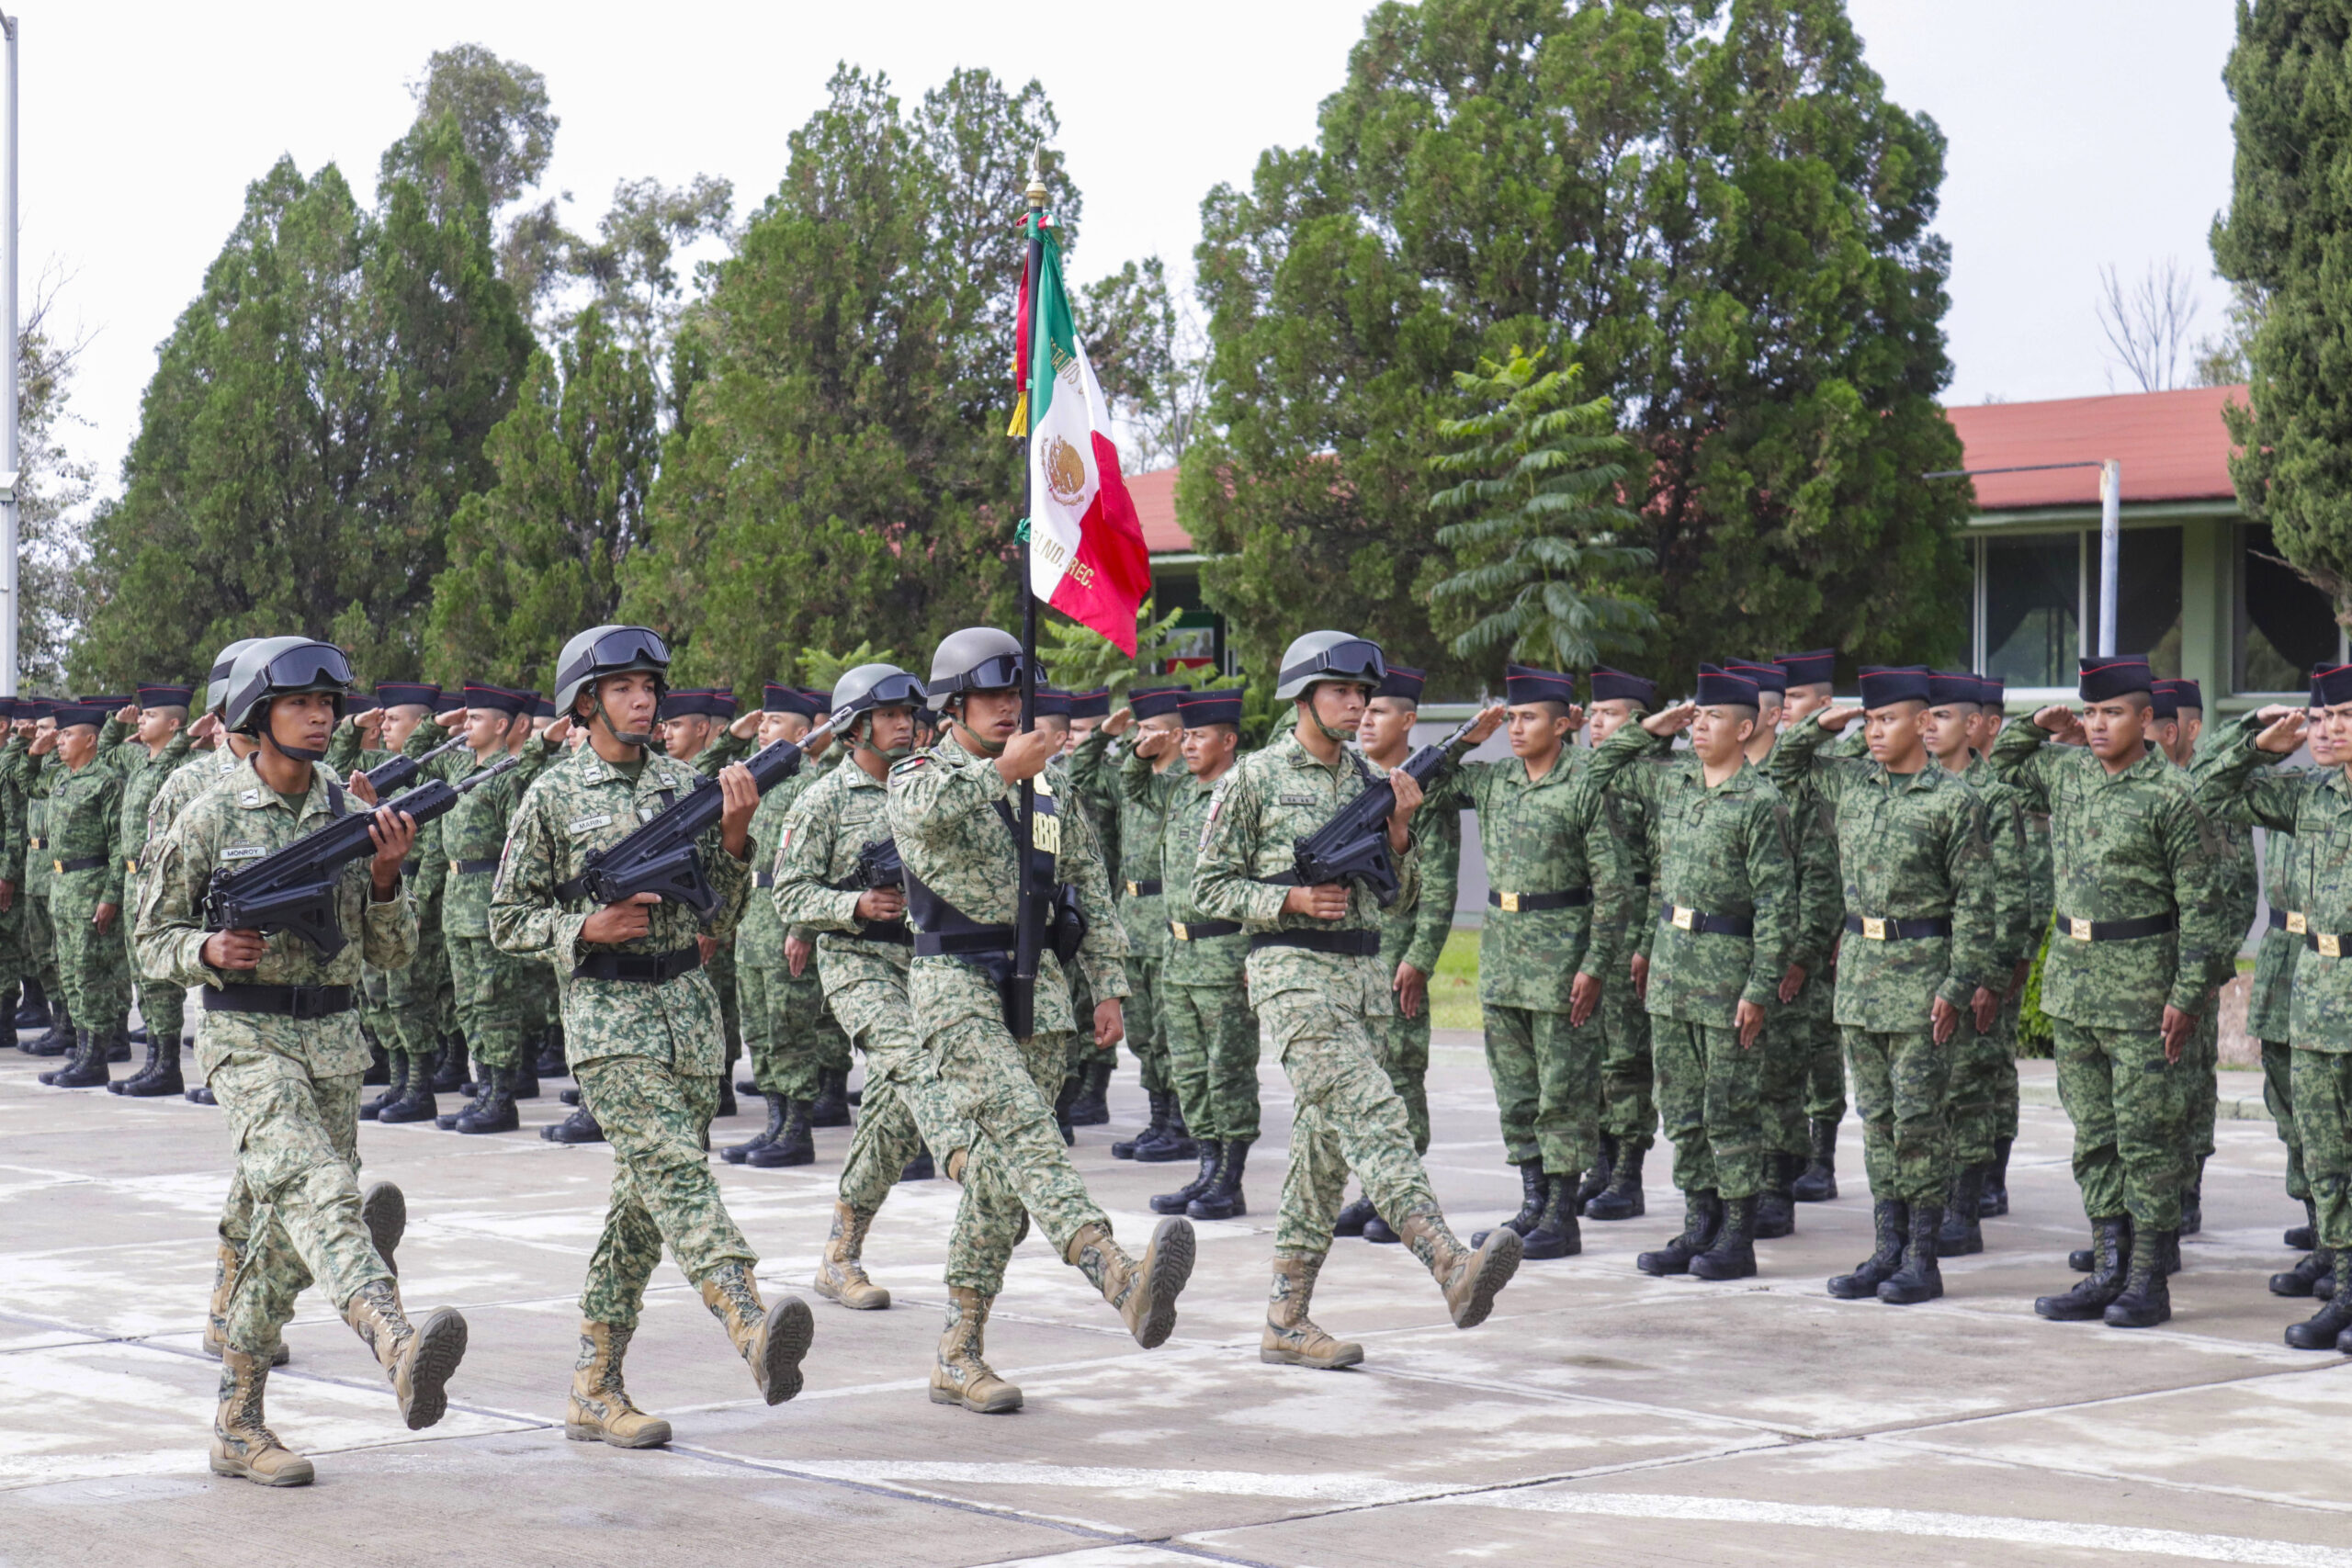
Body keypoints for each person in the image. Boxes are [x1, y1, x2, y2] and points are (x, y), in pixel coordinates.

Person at [133, 636, 457, 1486]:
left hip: (336, 1045)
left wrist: (387, 875)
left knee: (283, 1239)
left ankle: (238, 1424)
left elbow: (392, 953)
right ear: (255, 716)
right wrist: (209, 945)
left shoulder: (352, 815)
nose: (320, 717)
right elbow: (150, 938)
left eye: (328, 705)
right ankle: (392, 1335)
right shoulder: (208, 813)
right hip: (247, 1042)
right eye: (301, 704)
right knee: (321, 1187)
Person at [491, 626, 813, 1448]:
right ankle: (744, 1313)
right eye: (625, 687)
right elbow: (507, 918)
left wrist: (736, 838)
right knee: (675, 1173)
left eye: (650, 686)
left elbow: (723, 916)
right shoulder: (552, 798)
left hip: (687, 1018)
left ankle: (595, 1386)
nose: (644, 699)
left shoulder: (687, 785)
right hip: (608, 1023)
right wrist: (587, 926)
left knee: (641, 1210)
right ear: (587, 701)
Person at [1193, 630, 1524, 1368]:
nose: (1357, 706)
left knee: (1319, 1159)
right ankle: (1448, 1263)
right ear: (1304, 695)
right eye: (1342, 692)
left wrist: (1399, 833)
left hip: (1361, 986)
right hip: (1292, 979)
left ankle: (1286, 1317)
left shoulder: (1364, 781)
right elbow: (1208, 885)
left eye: (1364, 696)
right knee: (1376, 1111)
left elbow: (1392, 897)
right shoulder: (1253, 778)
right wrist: (1292, 899)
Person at [890, 627, 1197, 1392]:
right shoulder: (920, 773)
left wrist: (1108, 981)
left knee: (1002, 1179)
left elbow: (1087, 881)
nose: (1008, 708)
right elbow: (924, 821)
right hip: (956, 981)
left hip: (1041, 984)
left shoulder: (1049, 788)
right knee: (1029, 1135)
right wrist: (1001, 772)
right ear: (953, 703)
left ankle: (957, 1350)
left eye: (1015, 696)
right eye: (992, 696)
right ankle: (1117, 1273)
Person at [1992, 654, 2226, 1330]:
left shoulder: (2173, 798)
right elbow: (2000, 769)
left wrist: (2185, 996)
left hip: (2143, 994)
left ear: (2146, 720)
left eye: (2112, 712)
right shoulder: (2067, 776)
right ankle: (2107, 1265)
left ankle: (2149, 1277)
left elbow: (2204, 913)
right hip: (2074, 986)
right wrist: (2038, 724)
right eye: (2090, 712)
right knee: (2094, 1137)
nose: (2097, 725)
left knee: (2147, 1138)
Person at [1770, 666, 1998, 1304]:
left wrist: (1956, 987)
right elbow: (1782, 769)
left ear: (1924, 724)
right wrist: (1827, 722)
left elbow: (1978, 908)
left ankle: (1922, 1257)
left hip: (1922, 981)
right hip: (1863, 982)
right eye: (1869, 720)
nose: (1874, 731)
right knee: (1876, 1123)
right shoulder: (1852, 786)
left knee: (1919, 1123)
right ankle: (1885, 1247)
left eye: (1888, 718)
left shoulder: (1955, 801)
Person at [1603, 667, 1797, 1282]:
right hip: (1672, 971)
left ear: (1746, 728)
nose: (1700, 725)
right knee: (1682, 1108)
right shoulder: (1675, 784)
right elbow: (1598, 770)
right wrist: (1650, 728)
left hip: (1727, 977)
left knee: (1729, 1108)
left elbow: (1776, 904)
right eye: (1696, 715)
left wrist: (1760, 988)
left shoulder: (1762, 802)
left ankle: (1737, 1234)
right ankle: (1698, 1223)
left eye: (1713, 717)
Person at [1431, 664, 1627, 1260]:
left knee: (1562, 1094)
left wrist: (1594, 966)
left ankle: (1562, 1215)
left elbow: (1613, 888)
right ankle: (1533, 1200)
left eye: (1529, 717)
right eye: (1510, 718)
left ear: (1563, 724)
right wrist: (1467, 736)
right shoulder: (1494, 781)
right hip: (1504, 961)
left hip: (1563, 961)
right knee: (1516, 1094)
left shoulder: (1585, 782)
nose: (1516, 728)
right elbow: (1432, 787)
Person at [2191, 672, 2352, 1350]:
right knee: (2328, 1154)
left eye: (2344, 716)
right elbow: (2205, 789)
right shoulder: (2308, 796)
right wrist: (2254, 739)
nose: (2328, 730)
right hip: (2317, 996)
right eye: (2319, 720)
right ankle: (2345, 1287)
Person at [1333, 665, 1459, 1246]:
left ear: (1408, 721)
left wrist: (1422, 959)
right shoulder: (1348, 779)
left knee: (1402, 1076)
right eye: (1362, 708)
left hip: (1398, 957)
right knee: (1361, 1077)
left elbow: (1439, 885)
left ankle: (1405, 1199)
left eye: (1378, 711)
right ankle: (1374, 1191)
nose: (1364, 719)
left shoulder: (1422, 789)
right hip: (1352, 956)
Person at [1919, 670, 2032, 1256]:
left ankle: (1964, 1211)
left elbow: (2012, 897)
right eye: (1927, 717)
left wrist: (1993, 978)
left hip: (1974, 969)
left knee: (1969, 1088)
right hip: (1920, 968)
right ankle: (1930, 1204)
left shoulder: (1997, 797)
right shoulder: (1913, 790)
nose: (1930, 728)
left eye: (1942, 718)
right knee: (1925, 1094)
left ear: (1971, 726)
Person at [1141, 687, 1261, 1223]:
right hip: (1179, 952)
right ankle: (1207, 1169)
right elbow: (1128, 780)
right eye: (1184, 736)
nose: (1188, 745)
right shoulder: (1182, 793)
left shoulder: (1245, 793)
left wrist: (1252, 956)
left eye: (1199, 736)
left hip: (1224, 950)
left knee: (1228, 1071)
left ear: (1229, 740)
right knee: (1188, 1070)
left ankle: (1229, 1180)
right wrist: (1143, 747)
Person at [1070, 683, 1192, 1161]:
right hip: (1133, 916)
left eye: (1150, 728)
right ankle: (1158, 1118)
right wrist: (1103, 736)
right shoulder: (1130, 778)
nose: (1141, 737)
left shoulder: (1185, 779)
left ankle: (1179, 1123)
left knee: (1168, 1030)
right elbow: (1080, 775)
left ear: (1177, 734)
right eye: (1138, 728)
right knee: (1141, 1030)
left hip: (1166, 918)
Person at [726, 683, 835, 1168]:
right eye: (762, 721)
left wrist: (805, 928)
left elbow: (822, 868)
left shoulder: (812, 785)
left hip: (787, 916)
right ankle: (773, 1123)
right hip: (752, 916)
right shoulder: (755, 781)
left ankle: (797, 1130)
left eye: (772, 721)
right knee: (759, 1027)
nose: (761, 727)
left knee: (791, 1026)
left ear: (803, 733)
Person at [1581, 668, 1661, 1222]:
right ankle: (1600, 1163)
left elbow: (1662, 872)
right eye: (1591, 714)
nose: (1594, 723)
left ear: (1638, 720)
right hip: (1589, 929)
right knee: (1593, 1057)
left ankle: (1628, 1174)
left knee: (1627, 1059)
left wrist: (1646, 942)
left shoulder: (1657, 779)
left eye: (1606, 713)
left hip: (1631, 927)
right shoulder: (1586, 777)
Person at [1774, 650, 1852, 1204]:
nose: (1785, 711)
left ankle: (1821, 1155)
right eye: (1779, 702)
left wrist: (1826, 931)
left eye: (1796, 701)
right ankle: (1793, 1150)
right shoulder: (1790, 761)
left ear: (1825, 706)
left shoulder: (1847, 760)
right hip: (1786, 924)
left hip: (1830, 926)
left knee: (1821, 1043)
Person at [100, 684, 196, 1096]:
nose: (141, 720)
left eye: (150, 716)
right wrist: (113, 724)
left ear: (174, 725)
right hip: (130, 877)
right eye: (142, 715)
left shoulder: (183, 763)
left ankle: (168, 1065)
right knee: (141, 971)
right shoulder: (138, 760)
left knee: (160, 975)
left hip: (159, 879)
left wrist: (185, 741)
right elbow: (104, 756)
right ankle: (154, 1060)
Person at [31, 701, 131, 1089]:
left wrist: (110, 896)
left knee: (93, 979)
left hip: (91, 890)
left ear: (91, 740)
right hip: (62, 891)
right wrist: (32, 751)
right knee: (71, 976)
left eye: (67, 735)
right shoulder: (60, 779)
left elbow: (120, 845)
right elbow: (23, 780)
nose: (59, 741)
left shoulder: (106, 783)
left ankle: (96, 1058)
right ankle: (83, 1053)